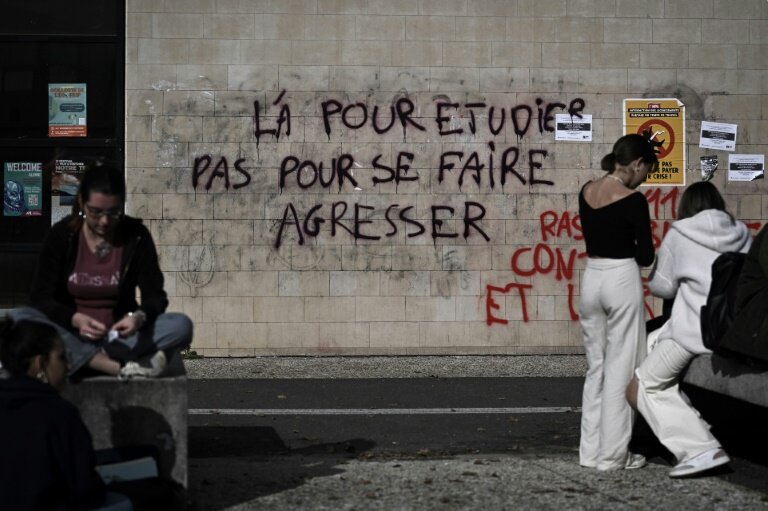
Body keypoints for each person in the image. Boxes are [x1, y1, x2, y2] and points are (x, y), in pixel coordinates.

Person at [10, 164, 192, 378]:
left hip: (118, 337)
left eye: (113, 212)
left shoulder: (136, 236)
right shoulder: (62, 235)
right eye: (95, 212)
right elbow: (40, 298)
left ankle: (83, 359)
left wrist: (138, 317)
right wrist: (75, 319)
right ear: (82, 203)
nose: (105, 222)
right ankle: (113, 366)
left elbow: (155, 296)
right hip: (70, 333)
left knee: (181, 325)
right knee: (18, 317)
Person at [626, 181, 751, 477]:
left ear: (687, 206)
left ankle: (699, 448)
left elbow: (662, 287)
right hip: (728, 330)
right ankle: (697, 427)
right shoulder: (742, 232)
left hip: (692, 332)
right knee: (648, 348)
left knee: (641, 386)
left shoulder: (680, 233)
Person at [578, 133, 658, 470]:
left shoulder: (586, 191)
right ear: (637, 164)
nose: (645, 179)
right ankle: (613, 456)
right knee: (621, 367)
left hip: (591, 278)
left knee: (596, 367)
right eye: (647, 172)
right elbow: (644, 254)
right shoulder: (633, 200)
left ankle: (590, 452)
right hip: (621, 278)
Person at [0, 320, 132, 510]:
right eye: (61, 358)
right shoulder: (58, 413)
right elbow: (85, 489)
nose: (69, 366)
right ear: (40, 363)